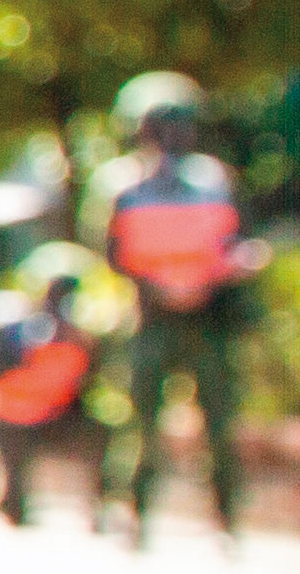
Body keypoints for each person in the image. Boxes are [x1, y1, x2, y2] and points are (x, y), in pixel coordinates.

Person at [90, 71, 267, 546]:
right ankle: (132, 512)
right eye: (160, 125)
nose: (171, 135)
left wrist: (231, 267)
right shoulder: (122, 184)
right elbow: (110, 252)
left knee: (220, 421)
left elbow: (240, 240)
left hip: (209, 318)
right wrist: (159, 286)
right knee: (139, 422)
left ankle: (226, 518)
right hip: (150, 319)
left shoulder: (214, 179)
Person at [0, 267, 106, 528]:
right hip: (33, 411)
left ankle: (16, 505)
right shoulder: (69, 334)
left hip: (28, 410)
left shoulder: (21, 328)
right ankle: (18, 504)